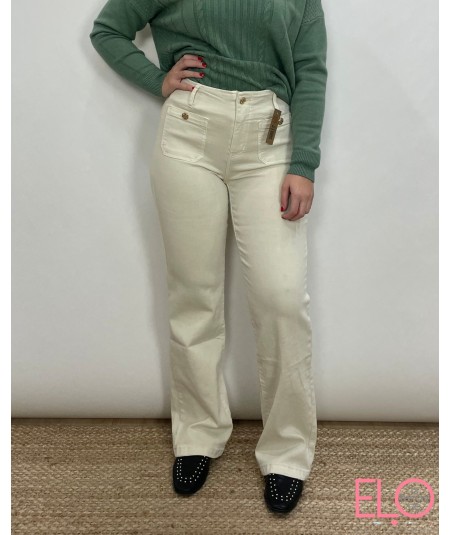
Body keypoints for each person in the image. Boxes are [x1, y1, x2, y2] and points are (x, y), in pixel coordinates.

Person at [89, 0, 328, 515]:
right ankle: (198, 434)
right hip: (190, 130)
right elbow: (108, 30)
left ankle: (287, 451)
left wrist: (304, 162)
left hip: (270, 138)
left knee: (282, 297)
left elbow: (310, 70)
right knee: (194, 296)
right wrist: (156, 80)